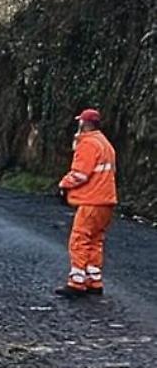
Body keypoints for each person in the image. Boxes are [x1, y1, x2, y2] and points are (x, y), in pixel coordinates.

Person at [56, 108, 117, 297]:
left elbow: (80, 174)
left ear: (84, 124)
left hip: (91, 200)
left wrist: (63, 185)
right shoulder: (105, 144)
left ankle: (77, 282)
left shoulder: (88, 143)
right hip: (106, 200)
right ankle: (94, 280)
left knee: (79, 239)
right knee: (95, 240)